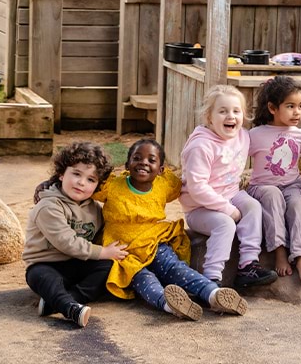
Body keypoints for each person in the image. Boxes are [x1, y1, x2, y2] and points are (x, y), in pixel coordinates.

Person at [92, 139, 247, 320]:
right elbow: (90, 186)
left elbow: (188, 185)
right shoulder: (112, 186)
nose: (144, 162)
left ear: (161, 170)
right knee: (142, 278)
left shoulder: (163, 185)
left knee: (174, 268)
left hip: (154, 242)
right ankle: (170, 304)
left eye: (151, 160)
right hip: (124, 252)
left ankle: (213, 294)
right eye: (137, 158)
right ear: (127, 164)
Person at [180, 85, 278, 290]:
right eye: (222, 111)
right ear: (209, 117)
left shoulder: (242, 136)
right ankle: (211, 278)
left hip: (231, 194)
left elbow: (269, 139)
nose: (230, 116)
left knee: (252, 206)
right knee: (225, 224)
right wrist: (228, 210)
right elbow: (197, 188)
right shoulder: (201, 146)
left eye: (236, 111)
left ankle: (248, 265)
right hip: (199, 208)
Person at [23, 142, 127, 328]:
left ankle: (61, 300)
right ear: (62, 173)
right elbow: (67, 242)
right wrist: (103, 251)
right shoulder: (48, 206)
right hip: (47, 264)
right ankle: (71, 309)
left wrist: (109, 253)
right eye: (76, 174)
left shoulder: (94, 209)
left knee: (108, 266)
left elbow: (98, 236)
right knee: (41, 276)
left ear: (97, 186)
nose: (81, 182)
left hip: (77, 264)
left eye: (91, 180)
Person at [248, 76, 301, 283]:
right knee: (272, 195)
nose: (297, 112)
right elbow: (232, 153)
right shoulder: (254, 135)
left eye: (300, 106)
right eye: (290, 106)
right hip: (262, 186)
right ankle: (279, 251)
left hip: (292, 184)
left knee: (297, 205)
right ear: (272, 108)